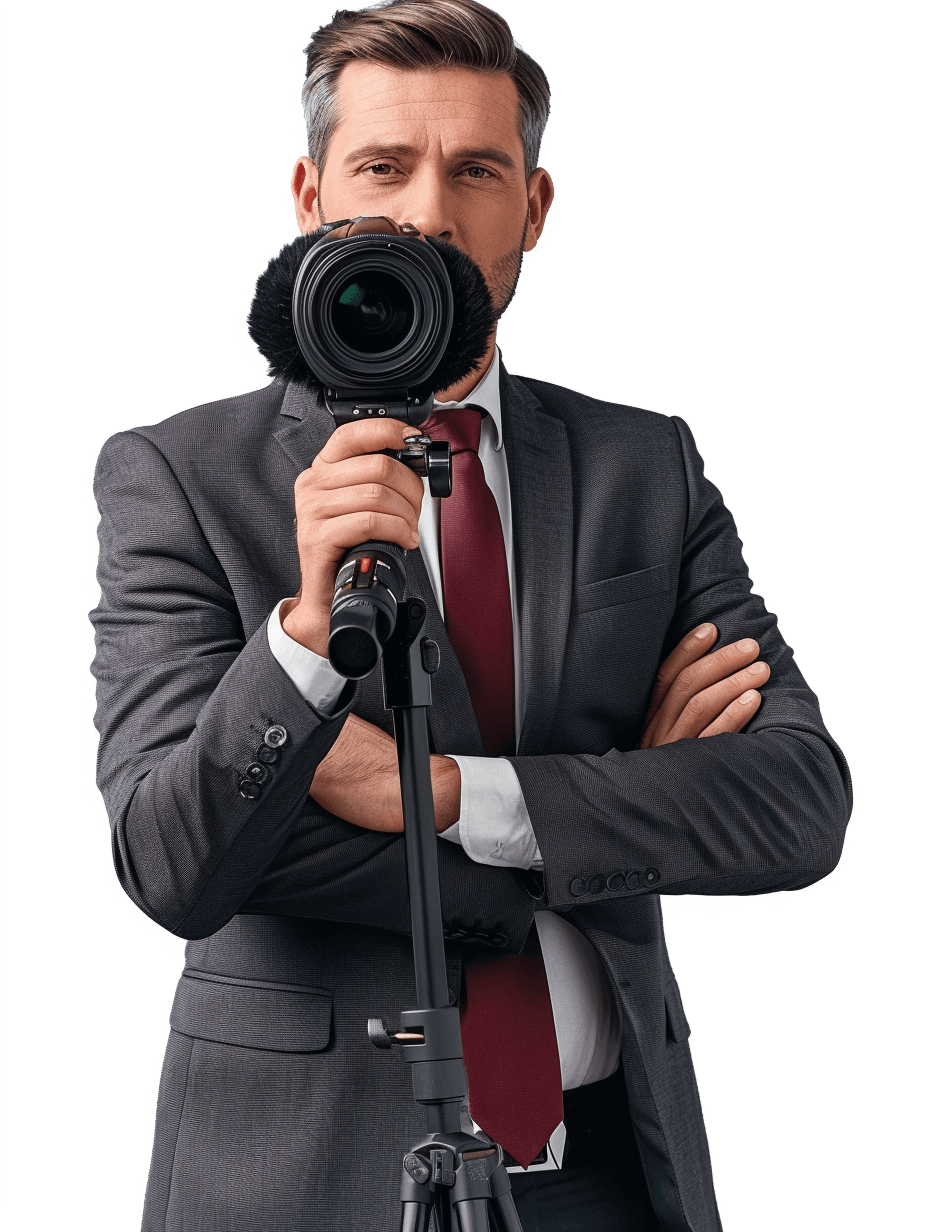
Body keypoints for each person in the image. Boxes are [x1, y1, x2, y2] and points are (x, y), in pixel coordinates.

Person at [89, 2, 851, 1229]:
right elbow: (177, 860)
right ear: (311, 193)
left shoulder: (640, 467)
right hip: (301, 1179)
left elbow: (797, 801)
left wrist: (441, 793)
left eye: (476, 170)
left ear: (533, 209)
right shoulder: (180, 475)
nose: (429, 214)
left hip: (609, 1174)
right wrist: (297, 638)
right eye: (384, 167)